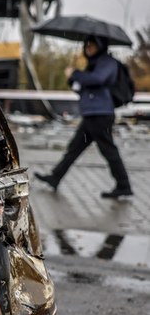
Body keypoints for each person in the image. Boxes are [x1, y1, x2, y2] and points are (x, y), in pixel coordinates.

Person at [35, 35, 132, 198]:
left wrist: (76, 74)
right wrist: (72, 79)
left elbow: (97, 80)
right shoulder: (93, 64)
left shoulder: (107, 63)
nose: (88, 48)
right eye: (87, 45)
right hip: (91, 114)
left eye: (92, 45)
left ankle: (124, 185)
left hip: (101, 114)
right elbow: (84, 88)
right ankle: (55, 177)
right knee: (75, 148)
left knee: (108, 150)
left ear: (100, 46)